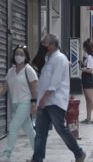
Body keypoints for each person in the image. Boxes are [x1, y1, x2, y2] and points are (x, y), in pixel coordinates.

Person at [28, 34, 86, 162]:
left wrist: (44, 98)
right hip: (44, 101)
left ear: (53, 45)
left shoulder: (60, 58)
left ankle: (79, 152)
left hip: (55, 101)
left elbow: (55, 82)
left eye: (45, 43)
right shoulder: (48, 59)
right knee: (40, 132)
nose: (42, 45)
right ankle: (37, 158)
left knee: (61, 129)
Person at [0, 45, 38, 162]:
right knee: (29, 131)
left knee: (13, 127)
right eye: (17, 54)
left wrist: (33, 103)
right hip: (15, 104)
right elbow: (4, 86)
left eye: (22, 54)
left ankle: (6, 155)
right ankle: (39, 155)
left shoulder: (28, 69)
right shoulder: (11, 71)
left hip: (25, 103)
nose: (19, 56)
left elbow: (34, 87)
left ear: (26, 56)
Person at [80, 39, 93, 124]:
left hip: (88, 79)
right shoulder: (89, 57)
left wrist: (81, 68)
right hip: (86, 79)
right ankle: (88, 118)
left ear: (85, 48)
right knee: (88, 99)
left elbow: (90, 70)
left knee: (91, 99)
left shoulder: (90, 58)